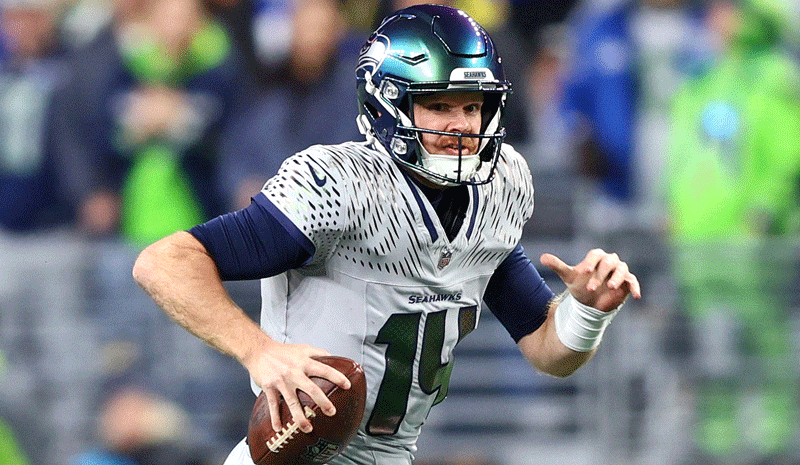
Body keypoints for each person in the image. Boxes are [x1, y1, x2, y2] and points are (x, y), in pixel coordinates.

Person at [132, 5, 641, 464]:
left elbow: (548, 351)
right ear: (387, 104)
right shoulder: (341, 188)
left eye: (472, 106)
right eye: (439, 106)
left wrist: (588, 311)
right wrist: (258, 350)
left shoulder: (496, 190)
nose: (462, 124)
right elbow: (165, 261)